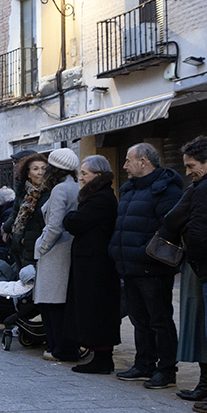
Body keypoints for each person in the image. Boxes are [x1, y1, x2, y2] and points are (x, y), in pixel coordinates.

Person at [109, 143, 183, 389]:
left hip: (152, 267)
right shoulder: (129, 189)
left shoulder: (166, 190)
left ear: (144, 162)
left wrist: (144, 252)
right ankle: (144, 364)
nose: (124, 165)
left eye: (128, 160)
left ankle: (166, 370)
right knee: (139, 319)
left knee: (159, 319)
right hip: (129, 266)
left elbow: (170, 227)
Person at [177, 137, 207, 413]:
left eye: (191, 165)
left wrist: (193, 256)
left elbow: (199, 232)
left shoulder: (206, 188)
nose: (187, 172)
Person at [63, 155, 120, 374]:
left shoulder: (101, 198)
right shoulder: (97, 196)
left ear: (97, 175)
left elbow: (74, 222)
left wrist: (70, 217)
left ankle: (103, 358)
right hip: (91, 261)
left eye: (85, 173)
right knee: (91, 309)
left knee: (97, 310)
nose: (82, 177)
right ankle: (99, 355)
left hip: (97, 263)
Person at [32, 148, 79, 361]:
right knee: (57, 302)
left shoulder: (60, 189)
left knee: (51, 303)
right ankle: (60, 346)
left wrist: (41, 248)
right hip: (65, 249)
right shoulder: (75, 187)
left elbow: (54, 226)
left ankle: (57, 347)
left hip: (55, 251)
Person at [7, 153, 50, 269]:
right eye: (35, 169)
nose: (40, 172)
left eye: (44, 169)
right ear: (28, 174)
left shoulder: (50, 193)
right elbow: (15, 216)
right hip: (22, 247)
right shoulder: (23, 193)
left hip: (40, 248)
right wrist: (18, 238)